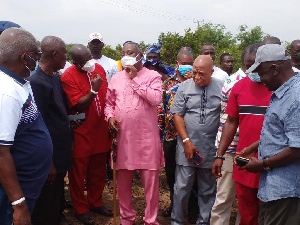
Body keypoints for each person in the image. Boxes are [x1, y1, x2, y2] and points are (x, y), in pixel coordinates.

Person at [212, 43, 272, 225]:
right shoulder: (238, 88)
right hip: (244, 162)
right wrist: (219, 155)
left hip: (273, 164)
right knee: (247, 215)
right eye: (248, 65)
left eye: (257, 65)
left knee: (269, 216)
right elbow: (230, 121)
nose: (252, 70)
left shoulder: (280, 88)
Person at [239, 44, 300, 225]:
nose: (259, 78)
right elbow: (280, 134)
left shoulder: (295, 98)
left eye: (261, 72)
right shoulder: (282, 92)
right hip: (273, 190)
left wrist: (263, 164)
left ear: (274, 69)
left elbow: (297, 148)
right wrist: (253, 147)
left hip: (287, 192)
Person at [104, 41, 164, 225]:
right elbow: (109, 104)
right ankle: (127, 219)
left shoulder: (153, 76)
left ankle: (150, 220)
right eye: (123, 52)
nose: (125, 55)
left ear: (140, 56)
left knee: (151, 187)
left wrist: (136, 79)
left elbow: (156, 99)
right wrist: (109, 117)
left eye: (129, 52)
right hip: (124, 140)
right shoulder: (116, 79)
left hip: (146, 140)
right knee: (123, 185)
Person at [0, 28, 52, 224]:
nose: (38, 61)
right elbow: (1, 154)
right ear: (25, 58)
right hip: (14, 193)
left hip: (27, 183)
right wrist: (19, 204)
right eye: (36, 56)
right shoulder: (6, 93)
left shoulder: (20, 82)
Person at [170, 55, 224, 225]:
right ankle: (177, 221)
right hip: (187, 146)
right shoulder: (184, 87)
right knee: (182, 188)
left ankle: (204, 221)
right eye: (194, 73)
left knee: (207, 189)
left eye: (202, 74)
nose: (197, 77)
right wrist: (186, 141)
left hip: (210, 148)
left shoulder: (222, 88)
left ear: (212, 72)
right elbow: (177, 114)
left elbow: (226, 118)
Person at [61, 44, 111, 225]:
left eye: (90, 57)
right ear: (76, 62)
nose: (89, 62)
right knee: (78, 173)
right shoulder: (68, 76)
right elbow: (79, 105)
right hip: (82, 130)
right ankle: (80, 208)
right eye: (84, 61)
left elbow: (107, 97)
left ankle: (95, 202)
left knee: (98, 170)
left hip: (101, 128)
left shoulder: (99, 68)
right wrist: (94, 89)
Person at [28, 36, 72, 225]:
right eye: (64, 54)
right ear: (55, 55)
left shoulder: (54, 79)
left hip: (60, 151)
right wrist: (49, 162)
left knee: (56, 193)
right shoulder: (37, 83)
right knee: (45, 199)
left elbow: (58, 113)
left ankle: (57, 216)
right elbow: (39, 124)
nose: (65, 59)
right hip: (49, 155)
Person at [210, 46, 252, 225]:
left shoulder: (265, 83)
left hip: (252, 149)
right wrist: (220, 153)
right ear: (245, 62)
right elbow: (229, 120)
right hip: (231, 147)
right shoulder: (232, 82)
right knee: (224, 196)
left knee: (248, 201)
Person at [158, 50, 194, 218]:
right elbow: (161, 109)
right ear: (177, 63)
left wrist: (190, 82)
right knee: (172, 175)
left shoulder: (197, 83)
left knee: (193, 174)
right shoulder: (167, 84)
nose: (186, 66)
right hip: (170, 137)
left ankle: (193, 209)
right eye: (183, 63)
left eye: (190, 63)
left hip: (191, 137)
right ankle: (175, 204)